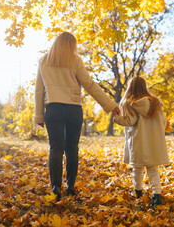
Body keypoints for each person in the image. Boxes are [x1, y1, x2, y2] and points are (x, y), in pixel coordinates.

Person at [34, 32, 120, 201]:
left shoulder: (43, 60)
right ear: (70, 44)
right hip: (73, 109)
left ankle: (55, 188)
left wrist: (39, 116)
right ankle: (70, 187)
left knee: (56, 148)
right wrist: (110, 104)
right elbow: (89, 84)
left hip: (53, 108)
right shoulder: (75, 59)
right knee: (71, 148)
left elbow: (39, 90)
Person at [113, 76, 169, 206]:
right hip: (153, 142)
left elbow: (130, 121)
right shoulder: (155, 103)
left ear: (130, 88)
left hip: (139, 142)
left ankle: (138, 191)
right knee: (153, 169)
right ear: (145, 87)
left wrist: (116, 117)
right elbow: (164, 121)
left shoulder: (131, 104)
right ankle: (157, 195)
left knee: (138, 169)